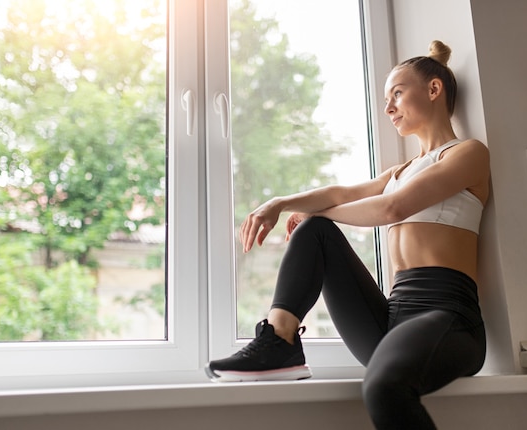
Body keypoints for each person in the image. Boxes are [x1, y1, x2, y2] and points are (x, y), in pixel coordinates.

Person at [206, 40, 490, 430]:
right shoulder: (400, 172)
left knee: (384, 388)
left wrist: (310, 212)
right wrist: (281, 202)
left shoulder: (468, 154)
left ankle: (283, 342)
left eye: (397, 93)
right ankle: (279, 341)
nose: (388, 107)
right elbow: (341, 193)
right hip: (391, 322)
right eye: (386, 98)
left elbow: (393, 209)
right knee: (317, 230)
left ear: (434, 89)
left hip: (448, 318)